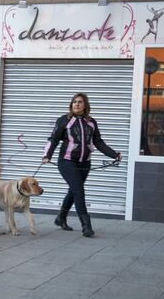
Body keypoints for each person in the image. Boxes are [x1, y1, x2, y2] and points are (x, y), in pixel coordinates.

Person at [42, 93, 122, 237]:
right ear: (71, 105)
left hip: (85, 163)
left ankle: (60, 218)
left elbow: (98, 142)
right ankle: (86, 226)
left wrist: (114, 154)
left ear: (85, 105)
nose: (77, 104)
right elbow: (53, 139)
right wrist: (47, 155)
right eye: (74, 102)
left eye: (80, 102)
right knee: (79, 191)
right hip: (66, 161)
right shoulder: (64, 120)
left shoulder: (91, 122)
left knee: (74, 191)